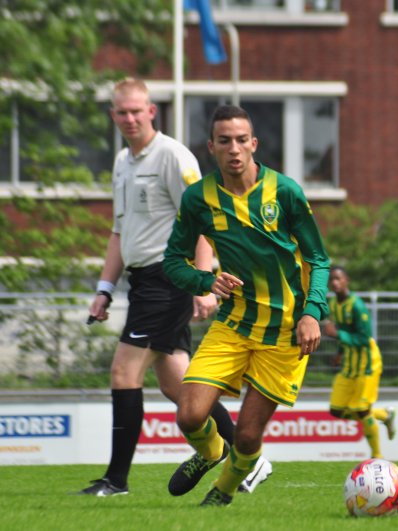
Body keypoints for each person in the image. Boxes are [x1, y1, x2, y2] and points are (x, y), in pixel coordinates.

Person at [76, 78, 273, 497]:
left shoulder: (171, 155)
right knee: (177, 387)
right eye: (122, 112)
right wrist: (105, 288)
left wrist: (204, 284)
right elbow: (118, 232)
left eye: (137, 110)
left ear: (152, 112)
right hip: (142, 281)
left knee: (123, 371)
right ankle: (251, 460)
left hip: (169, 280)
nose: (129, 118)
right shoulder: (122, 162)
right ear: (113, 116)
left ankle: (116, 480)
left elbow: (201, 218)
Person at [162, 104, 330, 507]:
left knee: (250, 436)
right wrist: (205, 281)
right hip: (234, 323)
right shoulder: (198, 199)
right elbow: (172, 261)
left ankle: (222, 492)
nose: (234, 148)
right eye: (225, 141)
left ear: (253, 144)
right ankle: (210, 452)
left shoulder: (285, 192)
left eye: (241, 140)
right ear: (211, 147)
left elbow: (318, 259)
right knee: (188, 415)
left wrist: (312, 312)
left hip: (285, 333)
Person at [323, 266, 396, 458]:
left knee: (362, 410)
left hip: (367, 363)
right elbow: (344, 331)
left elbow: (364, 338)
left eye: (339, 279)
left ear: (347, 280)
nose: (335, 283)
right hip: (349, 364)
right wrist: (339, 353)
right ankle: (384, 415)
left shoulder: (356, 305)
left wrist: (337, 334)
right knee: (336, 410)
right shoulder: (333, 304)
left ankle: (377, 457)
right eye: (332, 280)